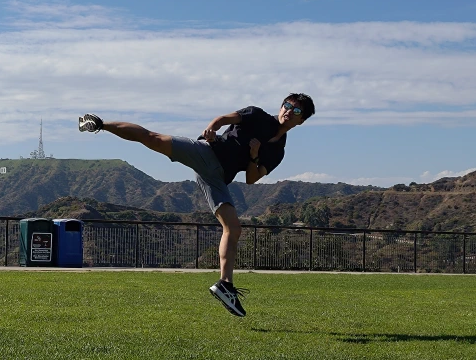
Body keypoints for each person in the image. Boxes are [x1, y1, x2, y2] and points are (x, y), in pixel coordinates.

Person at [78, 93, 315, 317]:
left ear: (301, 120)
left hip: (218, 178)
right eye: (287, 105)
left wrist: (254, 155)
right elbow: (223, 119)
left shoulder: (278, 151)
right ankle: (99, 124)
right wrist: (211, 129)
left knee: (234, 228)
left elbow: (252, 178)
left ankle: (225, 285)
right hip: (207, 152)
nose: (288, 111)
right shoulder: (257, 115)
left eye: (296, 111)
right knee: (153, 138)